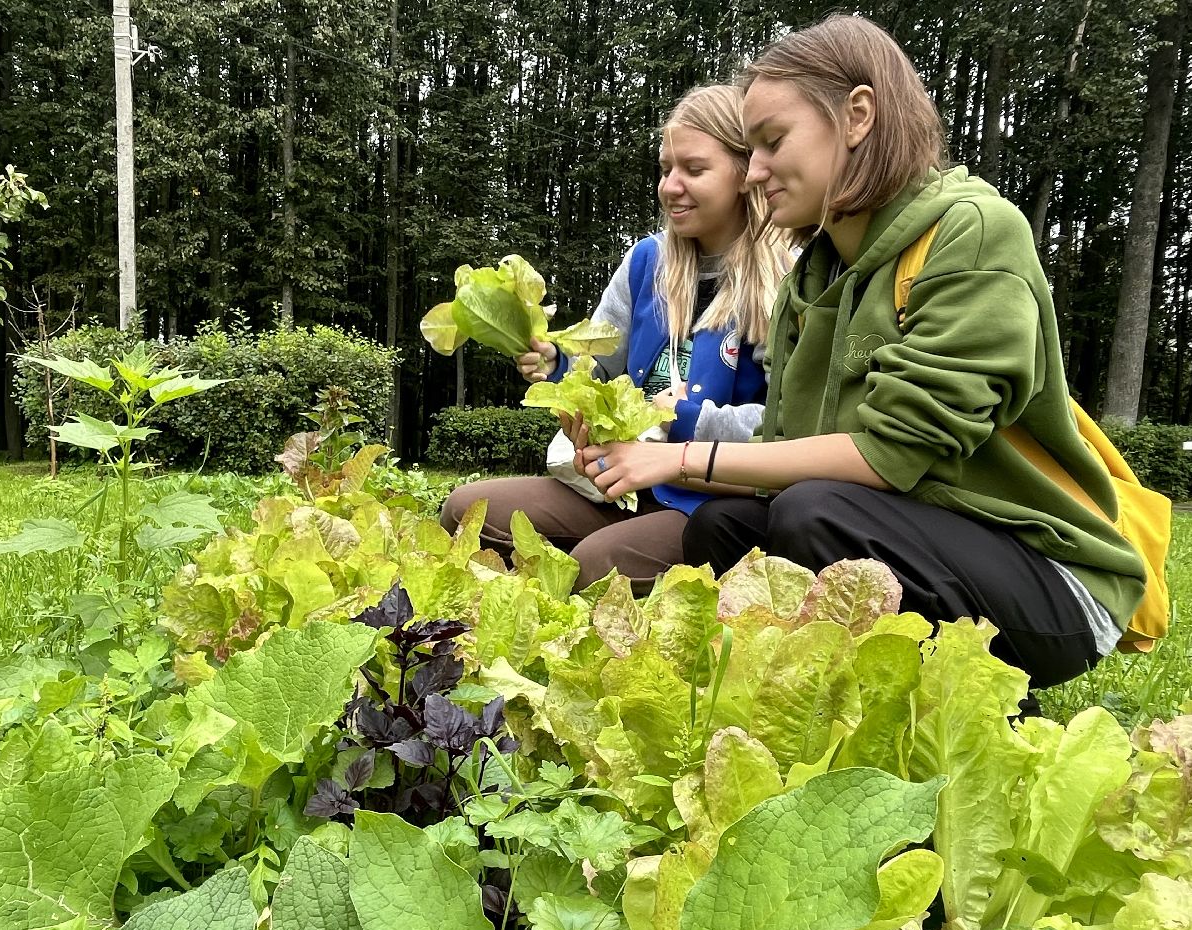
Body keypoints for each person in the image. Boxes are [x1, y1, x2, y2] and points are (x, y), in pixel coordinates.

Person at [571, 15, 1145, 688]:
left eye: (772, 141)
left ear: (858, 116)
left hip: (1049, 577)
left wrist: (683, 454)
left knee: (814, 515)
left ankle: (982, 706)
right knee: (726, 527)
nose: (754, 172)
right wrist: (633, 456)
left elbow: (895, 452)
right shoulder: (813, 279)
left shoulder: (973, 231)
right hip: (914, 537)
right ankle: (837, 698)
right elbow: (779, 457)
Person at [439, 83, 790, 594]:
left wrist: (687, 418)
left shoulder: (785, 277)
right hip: (616, 485)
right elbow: (598, 367)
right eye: (666, 168)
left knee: (593, 568)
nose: (671, 186)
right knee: (468, 510)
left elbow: (790, 427)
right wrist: (558, 365)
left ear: (745, 173)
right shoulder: (647, 261)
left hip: (712, 499)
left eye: (694, 169)